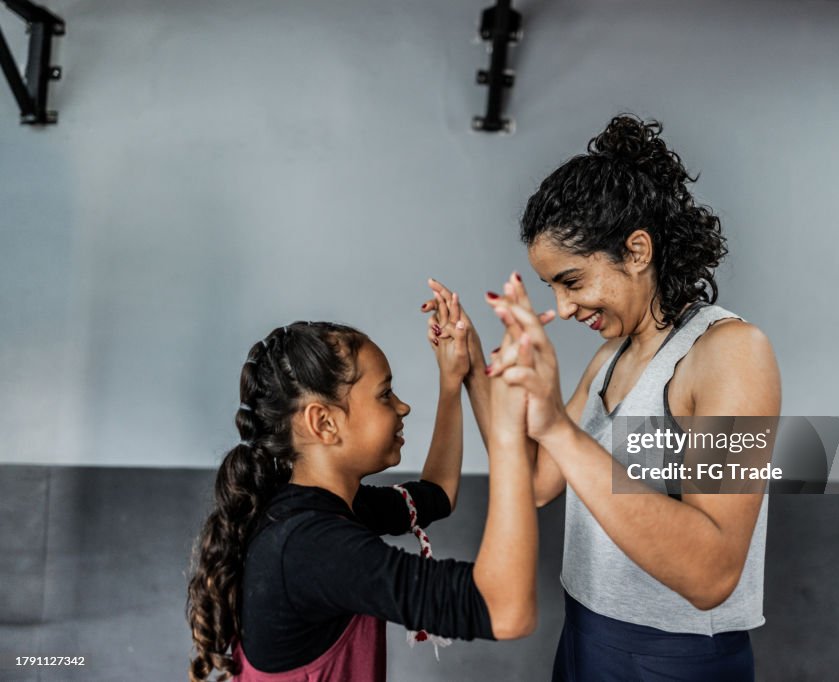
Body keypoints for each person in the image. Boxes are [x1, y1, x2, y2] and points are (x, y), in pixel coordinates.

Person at [425, 115, 781, 681]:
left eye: (572, 281)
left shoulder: (731, 352)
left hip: (675, 659)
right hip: (585, 633)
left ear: (637, 251)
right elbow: (540, 479)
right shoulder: (612, 356)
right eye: (552, 290)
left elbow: (713, 573)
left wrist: (560, 430)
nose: (564, 309)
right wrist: (471, 370)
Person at [186, 309, 538, 681]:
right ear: (323, 422)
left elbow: (437, 495)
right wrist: (508, 434)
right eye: (385, 394)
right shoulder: (312, 547)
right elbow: (505, 610)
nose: (403, 407)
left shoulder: (322, 508)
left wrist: (453, 382)